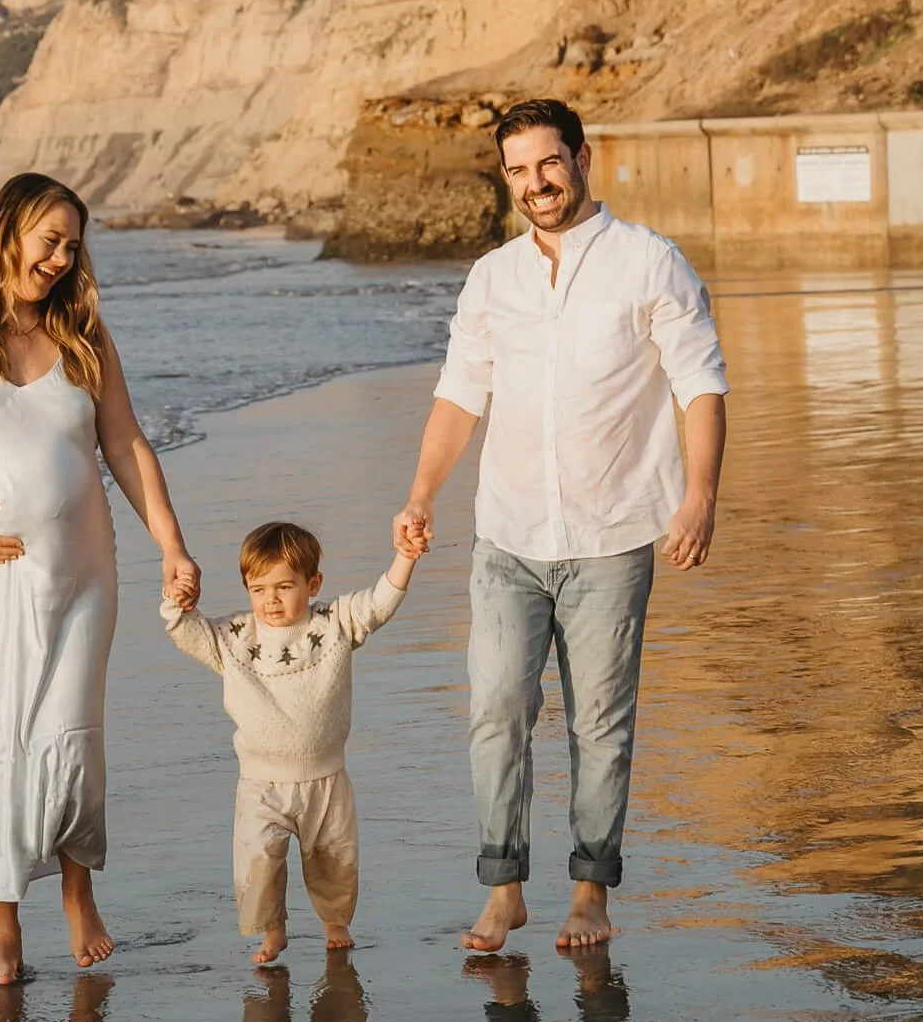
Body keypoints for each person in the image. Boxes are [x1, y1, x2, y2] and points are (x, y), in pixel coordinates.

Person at [393, 97, 727, 952]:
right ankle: (504, 888)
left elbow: (699, 384)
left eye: (548, 163)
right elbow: (461, 393)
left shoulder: (650, 262)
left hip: (612, 535)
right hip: (506, 536)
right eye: (516, 170)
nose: (534, 183)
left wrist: (699, 496)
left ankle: (590, 892)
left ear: (582, 157)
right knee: (497, 707)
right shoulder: (493, 276)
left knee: (600, 723)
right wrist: (423, 491)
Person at [0, 171, 201, 987]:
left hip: (82, 570)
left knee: (69, 735)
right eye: (48, 239)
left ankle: (76, 891)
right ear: (5, 229)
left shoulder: (83, 331)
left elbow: (125, 444)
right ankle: (2, 931)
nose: (60, 258)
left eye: (71, 244)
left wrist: (172, 543)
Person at [162, 520, 423, 964]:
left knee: (333, 859)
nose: (271, 600)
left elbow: (379, 604)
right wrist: (177, 602)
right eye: (258, 589)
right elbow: (189, 631)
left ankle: (335, 924)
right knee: (260, 859)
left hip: (325, 777)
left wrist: (407, 557)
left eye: (284, 587)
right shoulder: (235, 637)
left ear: (313, 583)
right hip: (261, 783)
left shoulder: (333, 622)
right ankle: (274, 930)